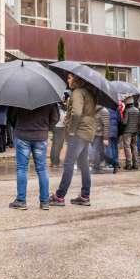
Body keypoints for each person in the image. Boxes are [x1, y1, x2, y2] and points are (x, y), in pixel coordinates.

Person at [50, 75, 97, 207]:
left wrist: (72, 130)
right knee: (84, 164)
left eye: (70, 78)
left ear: (77, 79)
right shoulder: (89, 93)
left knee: (69, 163)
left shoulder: (77, 92)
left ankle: (59, 196)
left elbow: (76, 113)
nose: (68, 80)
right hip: (87, 131)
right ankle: (85, 196)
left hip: (79, 132)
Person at [9, 103, 59, 210]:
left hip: (22, 134)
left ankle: (21, 200)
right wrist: (45, 128)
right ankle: (45, 202)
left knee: (22, 168)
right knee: (42, 169)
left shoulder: (18, 97)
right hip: (41, 135)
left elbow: (11, 116)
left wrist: (18, 126)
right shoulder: (48, 98)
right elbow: (55, 118)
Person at [120, 96, 140, 170]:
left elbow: (125, 122)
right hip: (135, 131)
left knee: (127, 147)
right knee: (134, 147)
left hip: (127, 131)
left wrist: (121, 121)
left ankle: (128, 164)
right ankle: (135, 164)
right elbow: (139, 121)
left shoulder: (127, 110)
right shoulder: (137, 110)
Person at [51, 97, 67, 168]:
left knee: (55, 144)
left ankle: (53, 161)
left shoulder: (56, 105)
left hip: (57, 126)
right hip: (59, 127)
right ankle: (55, 162)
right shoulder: (58, 107)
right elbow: (62, 118)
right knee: (58, 145)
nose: (63, 99)